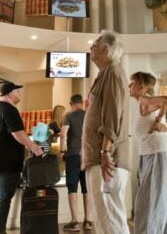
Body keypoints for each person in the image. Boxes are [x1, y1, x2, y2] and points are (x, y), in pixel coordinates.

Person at [0, 82, 44, 234]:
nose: (19, 95)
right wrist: (34, 147)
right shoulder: (9, 109)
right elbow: (18, 134)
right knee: (3, 197)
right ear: (10, 94)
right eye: (18, 92)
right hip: (4, 162)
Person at [82, 30, 130, 234]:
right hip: (101, 158)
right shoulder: (106, 73)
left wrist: (105, 152)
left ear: (105, 49)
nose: (90, 48)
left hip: (106, 160)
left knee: (109, 218)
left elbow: (112, 114)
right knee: (106, 218)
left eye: (94, 44)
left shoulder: (111, 71)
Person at [128, 71, 167, 234]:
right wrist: (159, 123)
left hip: (157, 155)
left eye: (132, 83)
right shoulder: (143, 103)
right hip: (153, 155)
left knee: (149, 203)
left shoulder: (144, 100)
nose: (129, 86)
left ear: (141, 86)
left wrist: (157, 121)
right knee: (160, 202)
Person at [61, 94, 92, 232]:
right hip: (87, 155)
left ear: (71, 103)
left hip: (73, 155)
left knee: (72, 187)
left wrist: (63, 151)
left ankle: (74, 221)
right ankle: (88, 220)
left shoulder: (69, 116)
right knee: (87, 188)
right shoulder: (88, 115)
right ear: (81, 103)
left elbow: (63, 134)